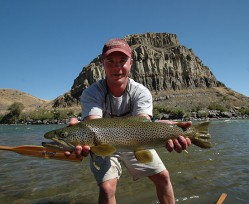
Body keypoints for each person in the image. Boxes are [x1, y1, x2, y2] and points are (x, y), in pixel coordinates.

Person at [67, 38, 191, 204]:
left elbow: (143, 123)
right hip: (103, 143)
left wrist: (165, 130)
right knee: (107, 188)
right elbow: (94, 125)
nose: (117, 67)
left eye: (122, 61)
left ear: (131, 63)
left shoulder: (141, 92)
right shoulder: (92, 92)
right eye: (110, 61)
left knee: (163, 177)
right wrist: (77, 136)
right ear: (103, 64)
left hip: (136, 140)